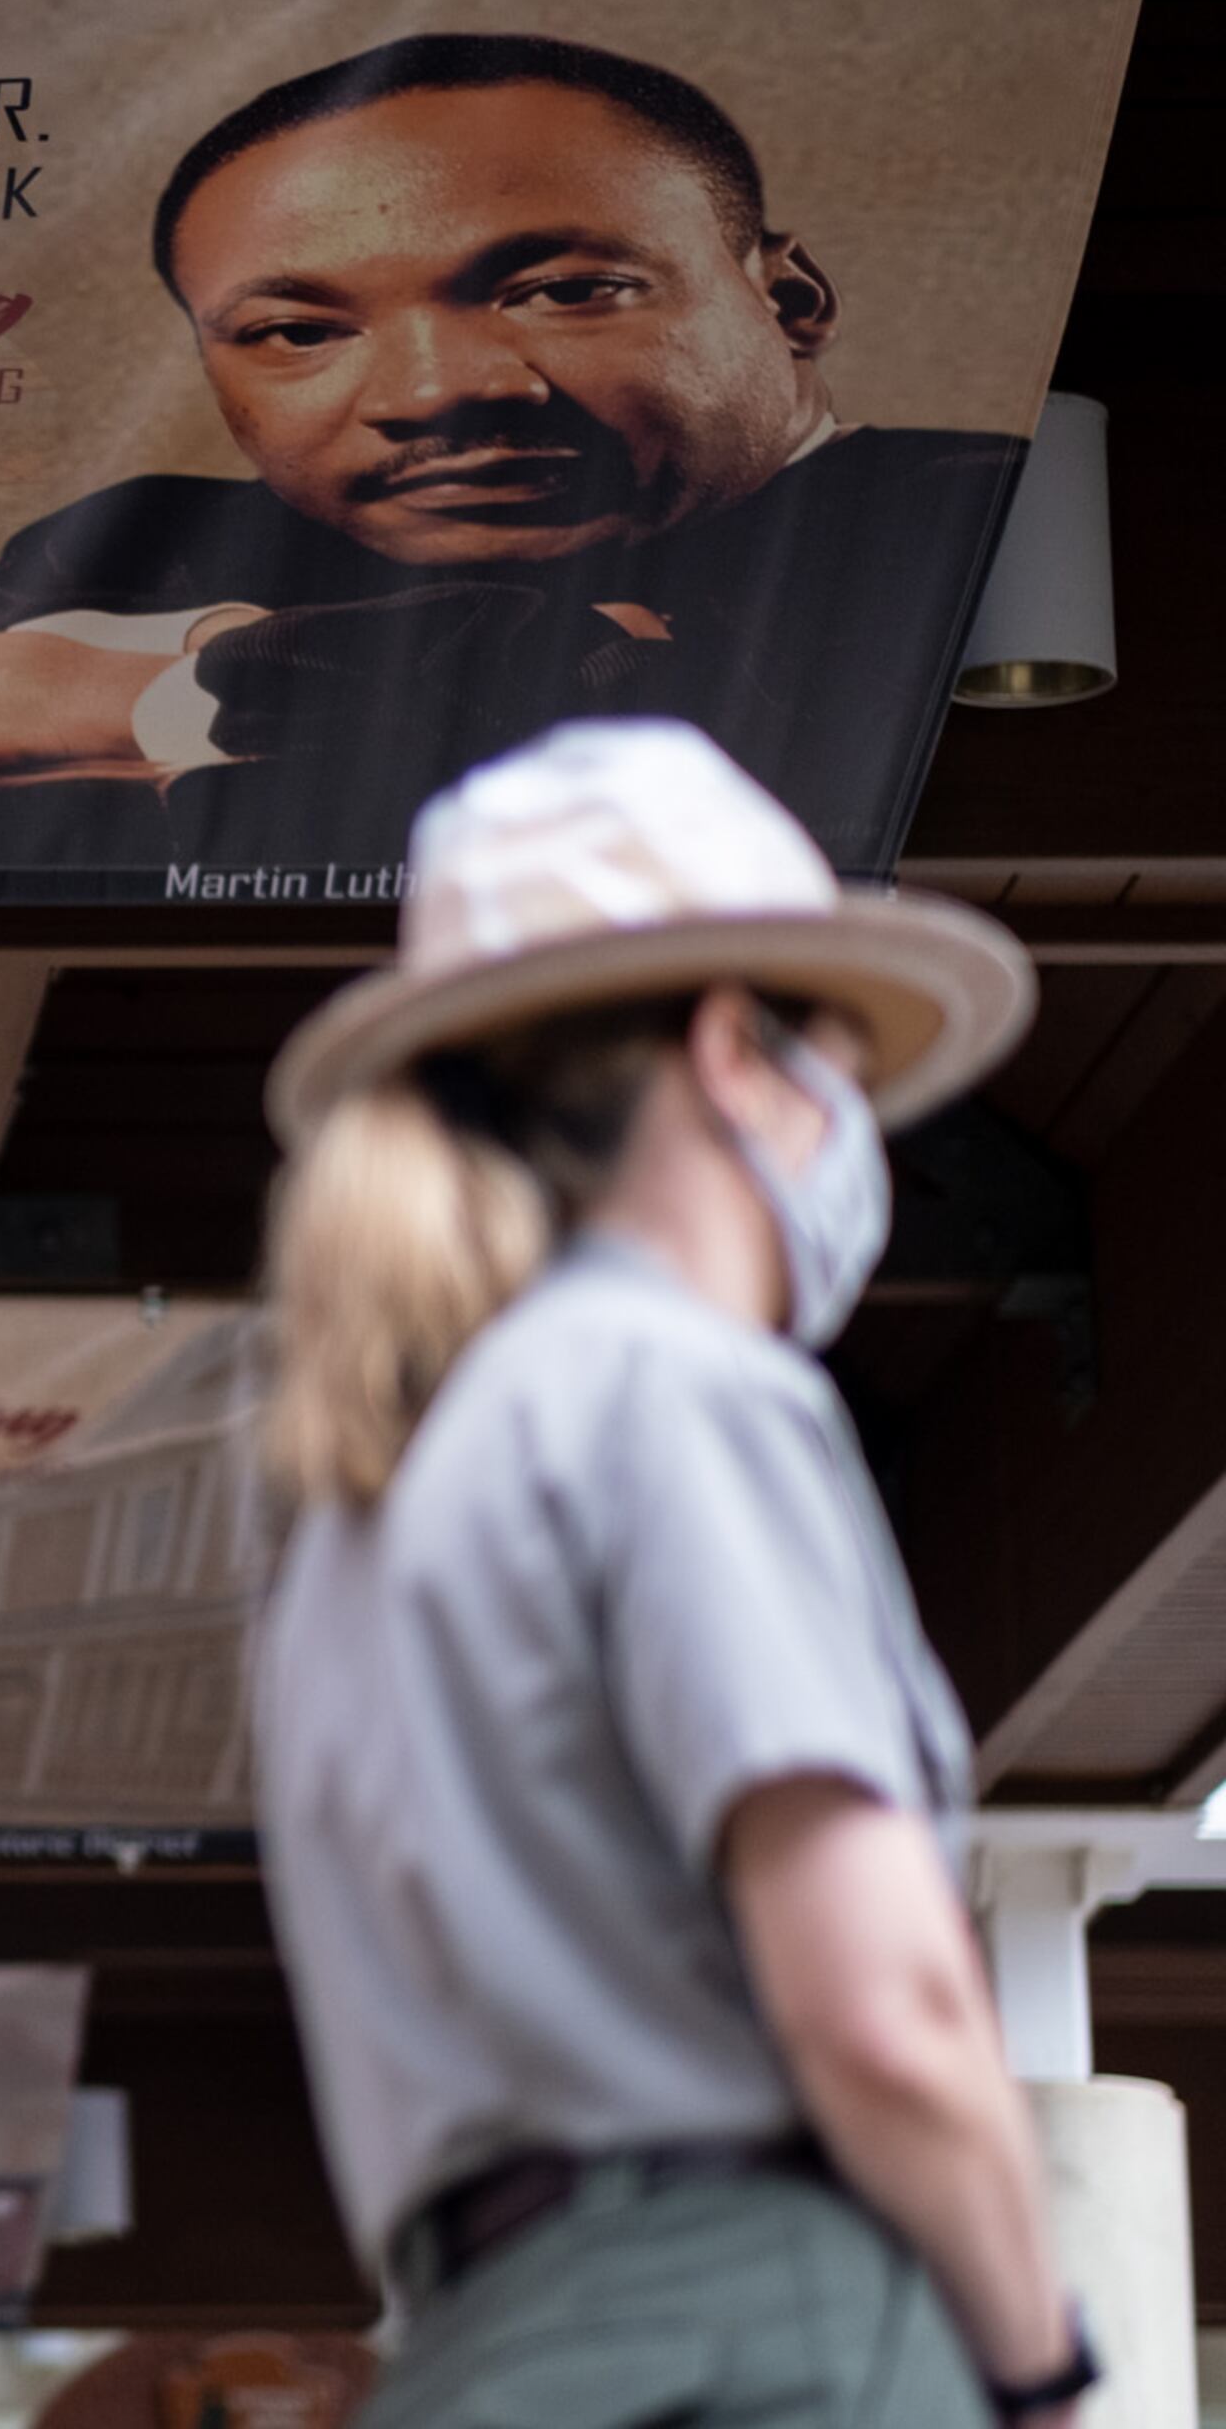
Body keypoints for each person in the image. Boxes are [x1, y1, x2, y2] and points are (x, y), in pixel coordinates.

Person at [247, 719, 1088, 2425]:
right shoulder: (679, 1386)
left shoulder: (359, 1507)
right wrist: (1042, 2366)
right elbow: (883, 2010)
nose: (859, 1139)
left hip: (486, 2347)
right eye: (834, 1068)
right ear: (729, 1047)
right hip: (768, 2318)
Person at [0, 35, 1021, 877]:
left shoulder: (977, 535)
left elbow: (750, 710)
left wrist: (163, 690)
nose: (439, 391)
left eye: (560, 290)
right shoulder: (174, 543)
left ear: (788, 299)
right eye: (294, 331)